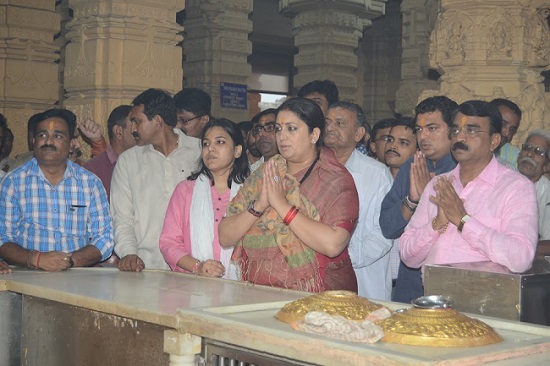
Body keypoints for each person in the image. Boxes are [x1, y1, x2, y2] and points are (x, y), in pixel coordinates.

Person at [219, 97, 359, 293]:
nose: (282, 136)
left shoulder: (334, 180)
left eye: (291, 129)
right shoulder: (264, 174)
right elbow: (225, 236)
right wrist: (259, 206)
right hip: (259, 292)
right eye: (278, 129)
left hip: (318, 295)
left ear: (314, 134)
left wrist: (281, 205)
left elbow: (333, 244)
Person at [400, 100, 537, 274]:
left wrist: (463, 220)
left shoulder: (517, 188)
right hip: (434, 297)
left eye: (471, 130)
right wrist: (437, 224)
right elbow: (407, 256)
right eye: (456, 130)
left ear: (494, 141)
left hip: (484, 299)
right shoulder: (439, 185)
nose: (460, 137)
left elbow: (521, 258)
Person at [0, 108, 114, 271]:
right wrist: (37, 259)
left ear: (70, 145)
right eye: (42, 135)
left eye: (58, 136)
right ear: (33, 142)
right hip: (26, 276)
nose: (48, 141)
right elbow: (3, 238)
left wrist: (69, 261)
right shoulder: (13, 182)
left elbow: (104, 238)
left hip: (77, 274)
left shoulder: (90, 184)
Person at [111, 88, 201, 272]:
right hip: (147, 267)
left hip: (197, 266)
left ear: (158, 121)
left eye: (137, 121)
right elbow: (122, 218)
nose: (133, 129)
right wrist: (128, 253)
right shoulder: (128, 161)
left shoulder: (200, 152)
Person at [380, 96, 458, 303]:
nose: (423, 136)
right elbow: (388, 227)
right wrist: (414, 201)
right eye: (419, 129)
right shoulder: (412, 167)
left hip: (450, 281)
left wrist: (428, 198)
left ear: (453, 130)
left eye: (432, 128)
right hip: (411, 280)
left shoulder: (464, 169)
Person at [159, 119, 249, 278]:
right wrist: (198, 267)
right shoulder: (185, 190)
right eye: (206, 144)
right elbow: (169, 243)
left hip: (242, 287)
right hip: (193, 288)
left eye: (220, 142)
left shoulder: (251, 192)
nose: (211, 149)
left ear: (237, 151)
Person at [324, 101, 393, 300]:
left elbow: (383, 234)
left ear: (358, 133)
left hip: (364, 282)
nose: (330, 127)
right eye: (327, 122)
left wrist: (340, 256)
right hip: (318, 278)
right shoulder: (313, 168)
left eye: (340, 123)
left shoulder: (376, 174)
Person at [83, 105, 136, 200]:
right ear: (119, 132)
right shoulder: (93, 169)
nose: (138, 130)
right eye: (134, 124)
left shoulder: (143, 162)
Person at [517, 129, 550, 257]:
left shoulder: (547, 194)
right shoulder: (502, 183)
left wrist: (517, 249)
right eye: (527, 147)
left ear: (547, 167)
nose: (529, 154)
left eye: (538, 152)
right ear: (519, 155)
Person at [490, 98, 521, 169]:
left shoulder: (514, 155)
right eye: (503, 124)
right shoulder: (469, 145)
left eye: (512, 129)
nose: (507, 133)